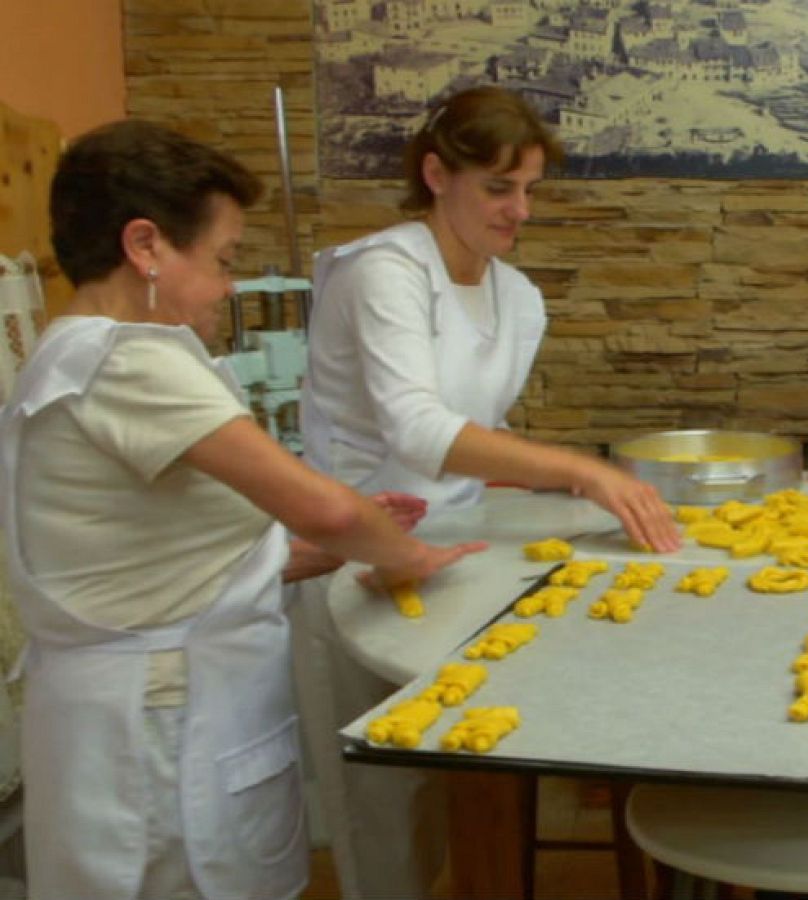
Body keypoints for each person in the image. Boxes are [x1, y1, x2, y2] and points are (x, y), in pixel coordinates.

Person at [0, 119, 482, 899]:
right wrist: (410, 557)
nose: (229, 287)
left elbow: (152, 556)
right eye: (222, 262)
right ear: (146, 245)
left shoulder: (68, 351)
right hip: (160, 734)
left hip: (123, 719)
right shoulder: (130, 358)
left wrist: (330, 547)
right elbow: (321, 507)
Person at [295, 85, 677, 898]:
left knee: (457, 770)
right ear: (436, 174)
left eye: (530, 189)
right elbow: (417, 432)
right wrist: (583, 468)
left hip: (457, 553)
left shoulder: (519, 300)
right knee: (384, 800)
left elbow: (473, 443)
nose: (520, 211)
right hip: (349, 556)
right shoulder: (383, 273)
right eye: (499, 188)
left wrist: (574, 493)